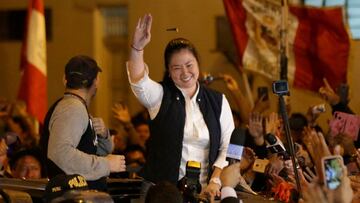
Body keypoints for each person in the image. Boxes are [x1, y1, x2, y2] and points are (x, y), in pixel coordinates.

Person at [127, 14, 234, 198]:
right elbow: (138, 82)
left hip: (205, 191)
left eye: (189, 65)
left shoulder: (218, 101)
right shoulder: (160, 95)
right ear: (168, 72)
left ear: (198, 64)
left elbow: (228, 145)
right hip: (162, 193)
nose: (185, 72)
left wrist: (215, 179)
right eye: (176, 68)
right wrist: (137, 48)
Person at [40, 55, 126, 191]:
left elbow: (92, 151)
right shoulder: (73, 108)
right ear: (96, 81)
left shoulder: (73, 107)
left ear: (64, 79)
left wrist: (103, 135)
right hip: (74, 197)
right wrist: (105, 165)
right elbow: (59, 152)